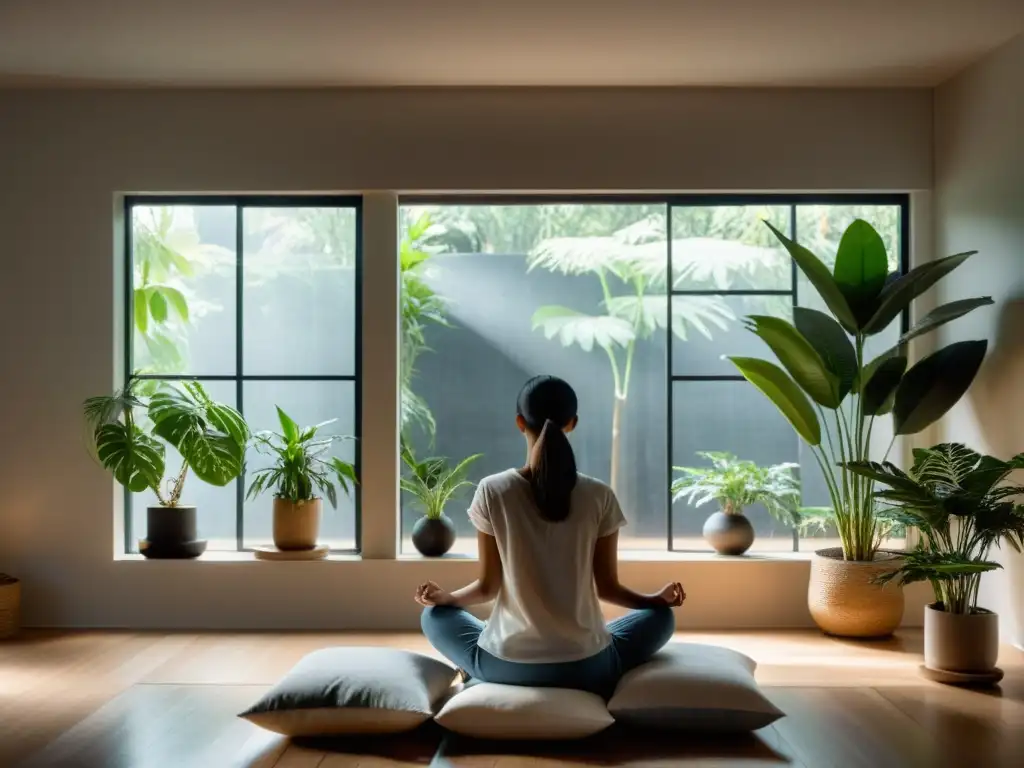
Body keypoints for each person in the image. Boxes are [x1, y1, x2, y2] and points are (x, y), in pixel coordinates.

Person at [415, 374, 684, 699]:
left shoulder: (492, 490)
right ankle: (597, 663)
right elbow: (608, 588)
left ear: (519, 422)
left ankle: (477, 671)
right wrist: (656, 600)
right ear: (572, 423)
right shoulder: (599, 495)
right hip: (587, 666)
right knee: (661, 618)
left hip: (505, 664)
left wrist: (448, 598)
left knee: (434, 615)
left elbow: (488, 587)